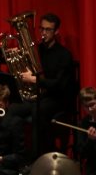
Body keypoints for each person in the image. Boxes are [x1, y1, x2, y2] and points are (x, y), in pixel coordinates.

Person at [9, 13, 75, 142]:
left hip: (56, 98)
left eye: (48, 29)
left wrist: (34, 80)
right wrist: (18, 55)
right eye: (42, 29)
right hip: (39, 96)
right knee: (11, 109)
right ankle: (19, 151)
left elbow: (59, 84)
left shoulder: (64, 55)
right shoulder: (37, 50)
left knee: (37, 110)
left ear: (56, 31)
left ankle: (40, 154)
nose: (43, 33)